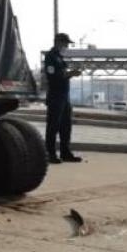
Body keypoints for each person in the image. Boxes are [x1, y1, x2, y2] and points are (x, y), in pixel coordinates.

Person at [43, 32, 83, 164]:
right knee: (53, 126)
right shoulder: (51, 57)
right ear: (58, 42)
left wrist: (71, 73)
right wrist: (71, 73)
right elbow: (54, 76)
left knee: (66, 126)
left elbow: (62, 73)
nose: (67, 46)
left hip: (64, 97)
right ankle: (50, 153)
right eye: (65, 43)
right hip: (55, 96)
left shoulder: (59, 57)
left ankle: (65, 152)